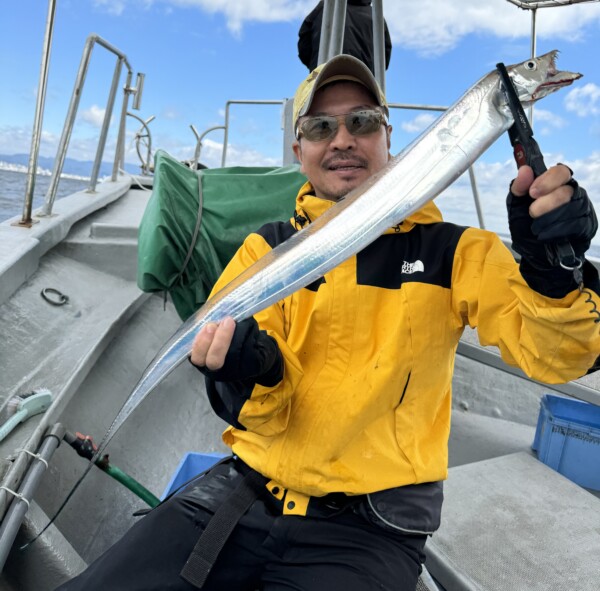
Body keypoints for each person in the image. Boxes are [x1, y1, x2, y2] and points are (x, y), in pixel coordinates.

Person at [56, 55, 599, 591]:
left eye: (361, 122)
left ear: (388, 137)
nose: (342, 139)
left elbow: (558, 358)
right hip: (245, 494)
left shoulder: (455, 253)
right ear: (300, 150)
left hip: (371, 529)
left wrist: (557, 273)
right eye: (321, 127)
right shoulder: (264, 252)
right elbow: (254, 410)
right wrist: (252, 371)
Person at [298, 0, 392, 74]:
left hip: (322, 79)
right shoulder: (376, 17)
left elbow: (304, 43)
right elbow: (383, 58)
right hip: (364, 84)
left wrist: (314, 64)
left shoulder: (325, 7)